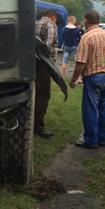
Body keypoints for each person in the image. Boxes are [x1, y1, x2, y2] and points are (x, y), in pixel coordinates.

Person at [69, 10, 105, 149]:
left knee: (90, 109)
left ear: (86, 21)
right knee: (104, 108)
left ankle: (91, 140)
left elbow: (81, 62)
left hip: (93, 77)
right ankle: (102, 138)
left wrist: (74, 79)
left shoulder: (87, 37)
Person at [34, 9, 58, 138]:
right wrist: (42, 56)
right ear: (53, 17)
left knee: (35, 93)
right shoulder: (51, 24)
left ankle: (32, 122)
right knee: (44, 95)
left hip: (33, 62)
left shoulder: (35, 24)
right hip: (44, 63)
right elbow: (49, 42)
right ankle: (39, 127)